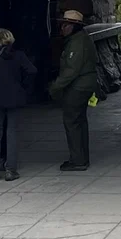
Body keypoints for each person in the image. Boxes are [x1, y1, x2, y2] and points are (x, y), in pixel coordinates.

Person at [0, 28, 36, 182]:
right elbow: (32, 71)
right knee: (12, 132)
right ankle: (10, 170)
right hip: (15, 99)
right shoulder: (19, 55)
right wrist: (23, 87)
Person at [48, 9, 98, 171]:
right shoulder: (80, 39)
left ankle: (77, 160)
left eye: (65, 25)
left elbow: (71, 70)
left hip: (78, 86)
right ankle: (82, 157)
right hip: (84, 84)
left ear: (73, 27)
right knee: (80, 121)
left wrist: (55, 87)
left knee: (72, 121)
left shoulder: (76, 43)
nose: (62, 28)